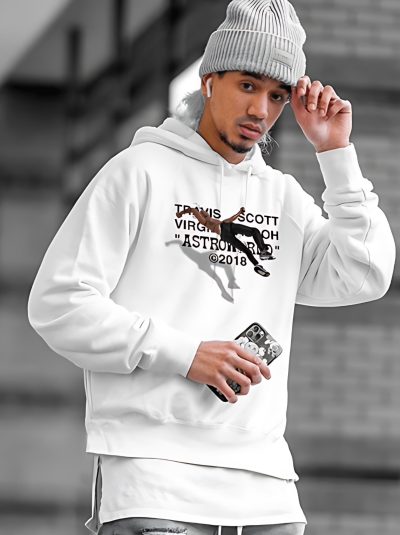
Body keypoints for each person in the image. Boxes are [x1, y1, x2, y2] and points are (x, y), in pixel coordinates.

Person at [27, 1, 396, 534]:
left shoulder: (282, 198)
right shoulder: (138, 172)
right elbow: (59, 304)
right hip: (151, 467)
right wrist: (186, 355)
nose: (260, 109)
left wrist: (336, 155)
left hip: (263, 479)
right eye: (247, 85)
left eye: (277, 95)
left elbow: (365, 273)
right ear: (208, 81)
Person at [176, 205, 274, 276]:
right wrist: (181, 213)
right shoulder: (205, 222)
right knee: (246, 250)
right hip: (225, 233)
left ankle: (262, 252)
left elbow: (230, 219)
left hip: (228, 226)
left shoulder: (214, 220)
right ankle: (257, 265)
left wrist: (239, 212)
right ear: (201, 217)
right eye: (203, 214)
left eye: (205, 214)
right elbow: (193, 210)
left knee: (255, 231)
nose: (206, 214)